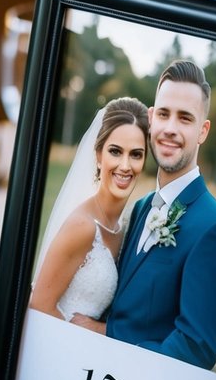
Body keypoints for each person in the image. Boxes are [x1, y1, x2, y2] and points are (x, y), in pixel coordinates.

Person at [104, 58, 216, 370]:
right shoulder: (141, 207)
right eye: (164, 114)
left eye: (185, 118)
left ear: (203, 131)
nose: (170, 129)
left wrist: (105, 338)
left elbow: (194, 348)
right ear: (151, 118)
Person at [29, 97, 149, 324]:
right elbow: (39, 307)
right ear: (98, 156)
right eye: (115, 151)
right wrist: (86, 336)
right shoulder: (82, 226)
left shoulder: (126, 227)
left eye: (135, 154)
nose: (125, 165)